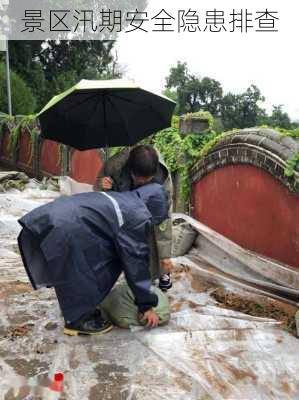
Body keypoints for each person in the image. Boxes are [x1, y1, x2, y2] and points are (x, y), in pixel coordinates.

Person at [17, 183, 169, 336]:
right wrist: (146, 306)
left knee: (92, 258)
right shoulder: (135, 215)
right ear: (154, 209)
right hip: (65, 226)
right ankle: (78, 320)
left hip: (53, 216)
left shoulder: (123, 199)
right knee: (82, 266)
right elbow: (135, 262)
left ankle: (79, 308)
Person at [94, 145, 174, 291]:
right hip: (123, 209)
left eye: (147, 181)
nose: (142, 184)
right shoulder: (114, 166)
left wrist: (165, 256)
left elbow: (162, 221)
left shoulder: (163, 180)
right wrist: (102, 185)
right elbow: (97, 192)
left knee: (152, 240)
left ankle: (160, 274)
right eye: (139, 180)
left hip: (149, 212)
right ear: (131, 171)